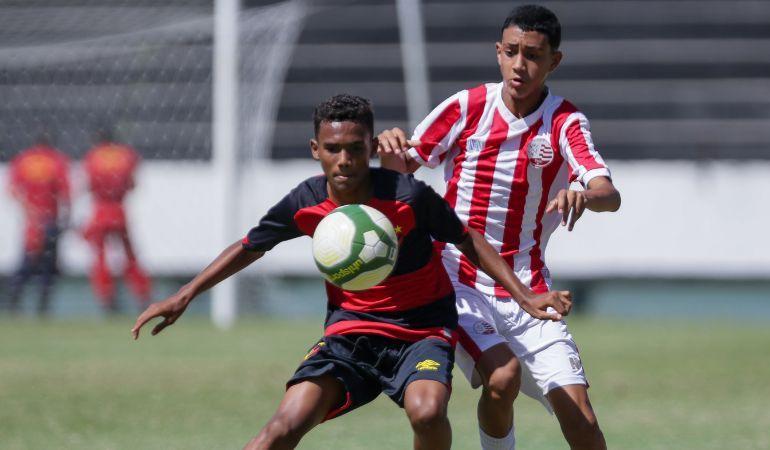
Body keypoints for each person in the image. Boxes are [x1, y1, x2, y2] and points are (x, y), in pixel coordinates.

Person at [131, 94, 572, 450]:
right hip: (349, 336)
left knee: (428, 412)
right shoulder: (305, 202)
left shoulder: (408, 196)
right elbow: (249, 247)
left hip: (422, 332)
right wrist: (185, 294)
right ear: (315, 150)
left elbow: (468, 239)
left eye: (355, 148)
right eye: (333, 149)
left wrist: (523, 295)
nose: (344, 159)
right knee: (281, 428)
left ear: (372, 147)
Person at [378, 5, 620, 449]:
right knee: (502, 378)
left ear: (554, 62)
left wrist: (583, 194)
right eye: (511, 52)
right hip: (459, 279)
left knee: (583, 422)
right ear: (498, 52)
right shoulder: (467, 106)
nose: (519, 65)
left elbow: (609, 193)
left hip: (530, 286)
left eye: (532, 55)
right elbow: (402, 168)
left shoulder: (565, 121)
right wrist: (390, 145)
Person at [83, 128, 151, 313]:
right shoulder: (125, 155)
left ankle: (106, 297)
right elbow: (132, 184)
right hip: (119, 210)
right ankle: (142, 294)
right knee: (130, 256)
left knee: (100, 256)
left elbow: (89, 185)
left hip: (100, 210)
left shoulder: (93, 157)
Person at [6, 134, 71, 317]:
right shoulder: (56, 161)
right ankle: (42, 306)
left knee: (27, 262)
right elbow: (66, 192)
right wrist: (66, 217)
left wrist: (28, 209)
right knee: (48, 266)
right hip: (50, 220)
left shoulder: (23, 160)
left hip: (32, 222)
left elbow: (12, 190)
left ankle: (13, 300)